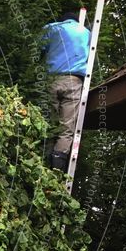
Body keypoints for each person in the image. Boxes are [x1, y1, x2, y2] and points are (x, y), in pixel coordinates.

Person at [42, 10, 90, 171]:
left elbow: (37, 50)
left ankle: (43, 162)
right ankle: (57, 167)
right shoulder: (86, 32)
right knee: (67, 128)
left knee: (49, 124)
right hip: (74, 81)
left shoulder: (51, 28)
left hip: (52, 80)